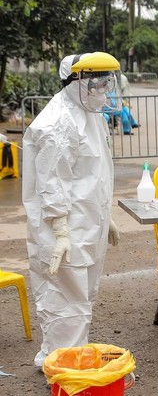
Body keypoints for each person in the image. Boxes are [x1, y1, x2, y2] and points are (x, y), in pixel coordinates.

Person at [22, 52, 122, 367]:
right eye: (97, 82)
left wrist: (107, 217)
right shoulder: (57, 123)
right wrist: (61, 230)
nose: (104, 89)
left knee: (80, 298)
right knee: (63, 299)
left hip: (86, 224)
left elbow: (92, 175)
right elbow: (52, 184)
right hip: (62, 229)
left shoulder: (91, 113)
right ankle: (63, 367)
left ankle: (64, 358)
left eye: (107, 81)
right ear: (75, 81)